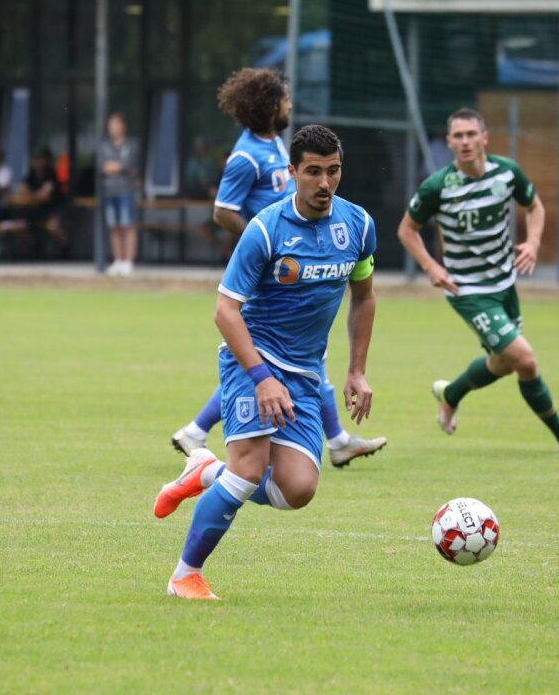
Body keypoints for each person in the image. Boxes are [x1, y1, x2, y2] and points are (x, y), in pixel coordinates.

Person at [153, 124, 378, 601]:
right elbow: (224, 310)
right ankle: (184, 576)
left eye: (333, 172)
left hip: (303, 373)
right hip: (251, 359)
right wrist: (260, 378)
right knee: (249, 470)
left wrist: (356, 369)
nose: (324, 183)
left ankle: (204, 472)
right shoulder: (265, 229)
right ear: (291, 172)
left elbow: (364, 296)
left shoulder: (357, 226)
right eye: (313, 172)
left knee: (297, 490)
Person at [169, 67, 386, 469]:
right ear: (267, 104)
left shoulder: (276, 148)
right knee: (272, 359)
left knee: (300, 359)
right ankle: (334, 439)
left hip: (299, 259)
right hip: (270, 270)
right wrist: (264, 245)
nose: (289, 103)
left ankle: (199, 432)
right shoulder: (247, 155)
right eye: (284, 97)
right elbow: (222, 210)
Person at [396, 108, 559, 456]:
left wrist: (532, 243)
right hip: (467, 291)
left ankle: (450, 394)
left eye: (471, 134)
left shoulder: (507, 173)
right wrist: (430, 266)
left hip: (505, 285)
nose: (465, 141)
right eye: (458, 136)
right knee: (526, 360)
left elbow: (535, 207)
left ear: (484, 137)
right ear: (449, 142)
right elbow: (406, 230)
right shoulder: (438, 185)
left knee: (503, 363)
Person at [97, 113, 140, 275]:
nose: (112, 128)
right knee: (114, 227)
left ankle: (128, 261)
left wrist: (117, 167)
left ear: (123, 126)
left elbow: (129, 165)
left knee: (127, 226)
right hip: (109, 191)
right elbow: (103, 166)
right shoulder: (104, 145)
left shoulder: (132, 145)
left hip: (126, 191)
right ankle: (118, 260)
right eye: (110, 125)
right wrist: (119, 167)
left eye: (115, 124)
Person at [18, 147, 68, 254]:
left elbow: (45, 195)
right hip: (36, 209)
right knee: (21, 225)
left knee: (52, 226)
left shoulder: (51, 175)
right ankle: (35, 248)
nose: (38, 162)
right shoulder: (31, 175)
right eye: (36, 159)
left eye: (41, 159)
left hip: (53, 208)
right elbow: (22, 190)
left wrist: (33, 194)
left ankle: (65, 248)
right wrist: (36, 194)